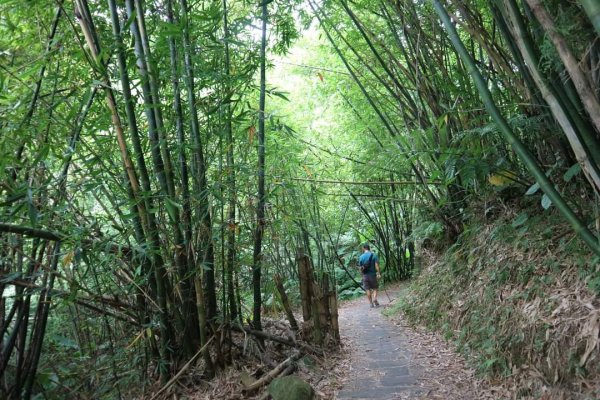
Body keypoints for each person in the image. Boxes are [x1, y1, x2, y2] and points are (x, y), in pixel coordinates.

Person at [358, 243, 381, 308]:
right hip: (373, 275)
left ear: (363, 248)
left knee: (367, 289)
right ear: (369, 248)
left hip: (365, 276)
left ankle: (371, 303)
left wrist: (362, 275)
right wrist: (378, 273)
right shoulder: (374, 255)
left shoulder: (361, 257)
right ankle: (375, 299)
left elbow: (360, 268)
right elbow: (376, 265)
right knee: (375, 288)